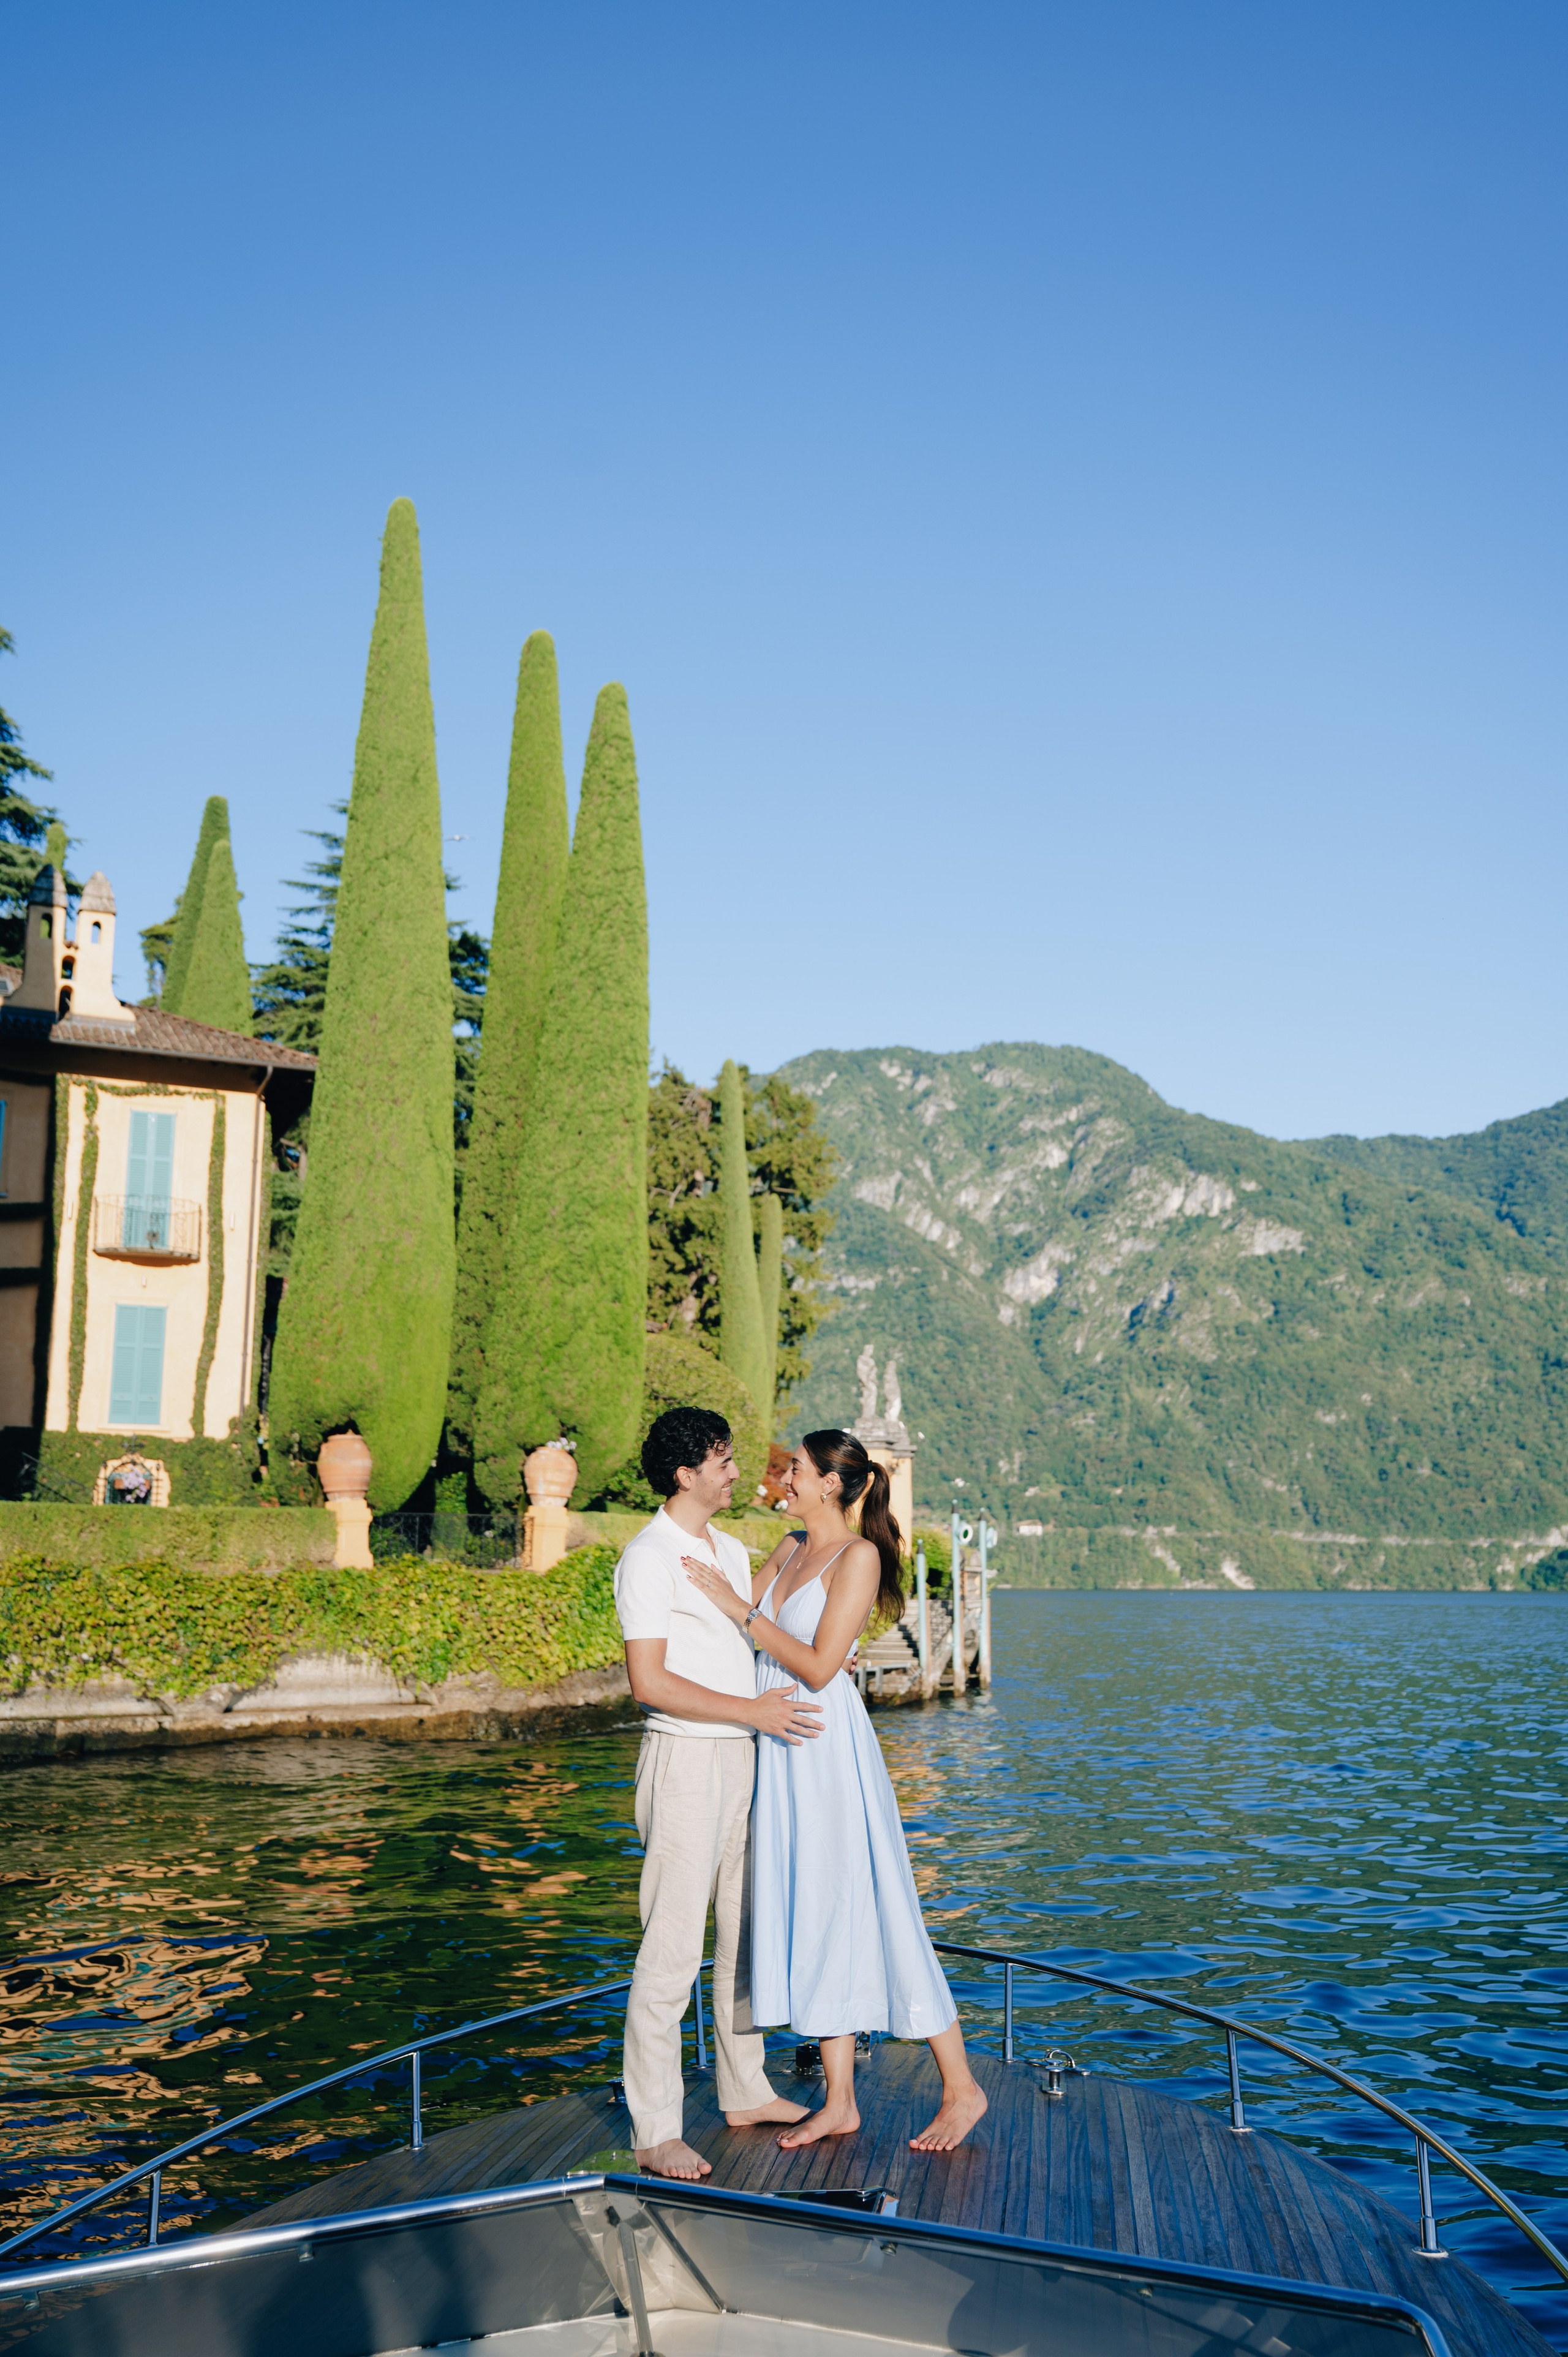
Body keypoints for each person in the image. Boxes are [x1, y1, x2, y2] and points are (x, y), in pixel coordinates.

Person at [684, 1429, 988, 2154]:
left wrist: (743, 1612)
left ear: (830, 1483)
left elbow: (819, 1667)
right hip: (779, 1744)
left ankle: (961, 2086)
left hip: (823, 1748)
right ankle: (840, 2101)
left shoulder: (860, 1556)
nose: (783, 1476)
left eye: (796, 1468)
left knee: (876, 1905)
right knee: (814, 1912)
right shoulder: (791, 1547)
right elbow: (742, 1631)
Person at [614, 1405, 824, 2181]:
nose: (740, 1470)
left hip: (743, 1758)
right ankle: (655, 2128)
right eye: (724, 1458)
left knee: (742, 1939)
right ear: (686, 1473)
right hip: (684, 1763)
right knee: (670, 1950)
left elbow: (748, 1623)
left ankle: (744, 2090)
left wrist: (799, 1548)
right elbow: (649, 1682)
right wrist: (753, 1712)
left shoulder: (730, 1549)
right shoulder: (647, 1557)